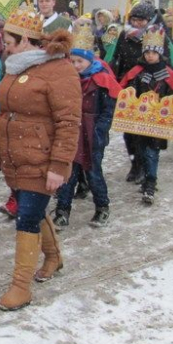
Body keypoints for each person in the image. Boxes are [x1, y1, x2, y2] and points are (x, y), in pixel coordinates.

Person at [0, 7, 82, 311]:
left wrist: (59, 165)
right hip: (17, 157)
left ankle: (20, 287)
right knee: (33, 209)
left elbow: (69, 123)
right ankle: (54, 256)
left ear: (26, 39)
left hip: (42, 158)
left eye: (10, 41)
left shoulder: (59, 70)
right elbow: (4, 114)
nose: (5, 47)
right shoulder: (16, 67)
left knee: (27, 215)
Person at [52, 25, 121, 229]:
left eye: (79, 61)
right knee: (68, 173)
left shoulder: (102, 81)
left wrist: (100, 131)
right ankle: (62, 211)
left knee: (93, 173)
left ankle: (102, 207)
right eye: (72, 61)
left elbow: (108, 111)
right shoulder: (68, 80)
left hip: (92, 133)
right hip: (72, 133)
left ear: (90, 60)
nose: (75, 65)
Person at [110, 0, 173, 183]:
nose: (137, 23)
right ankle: (135, 164)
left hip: (151, 85)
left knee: (147, 133)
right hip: (130, 85)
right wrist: (116, 79)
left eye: (141, 19)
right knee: (129, 131)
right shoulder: (125, 35)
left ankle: (146, 168)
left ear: (149, 19)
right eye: (135, 19)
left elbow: (166, 61)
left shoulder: (157, 35)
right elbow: (117, 59)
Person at [119, 26, 173, 204]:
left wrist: (168, 105)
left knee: (152, 152)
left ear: (160, 53)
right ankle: (146, 177)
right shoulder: (137, 72)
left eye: (154, 52)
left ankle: (150, 184)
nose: (150, 55)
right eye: (147, 52)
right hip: (139, 121)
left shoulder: (168, 74)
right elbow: (124, 90)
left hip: (158, 121)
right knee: (141, 150)